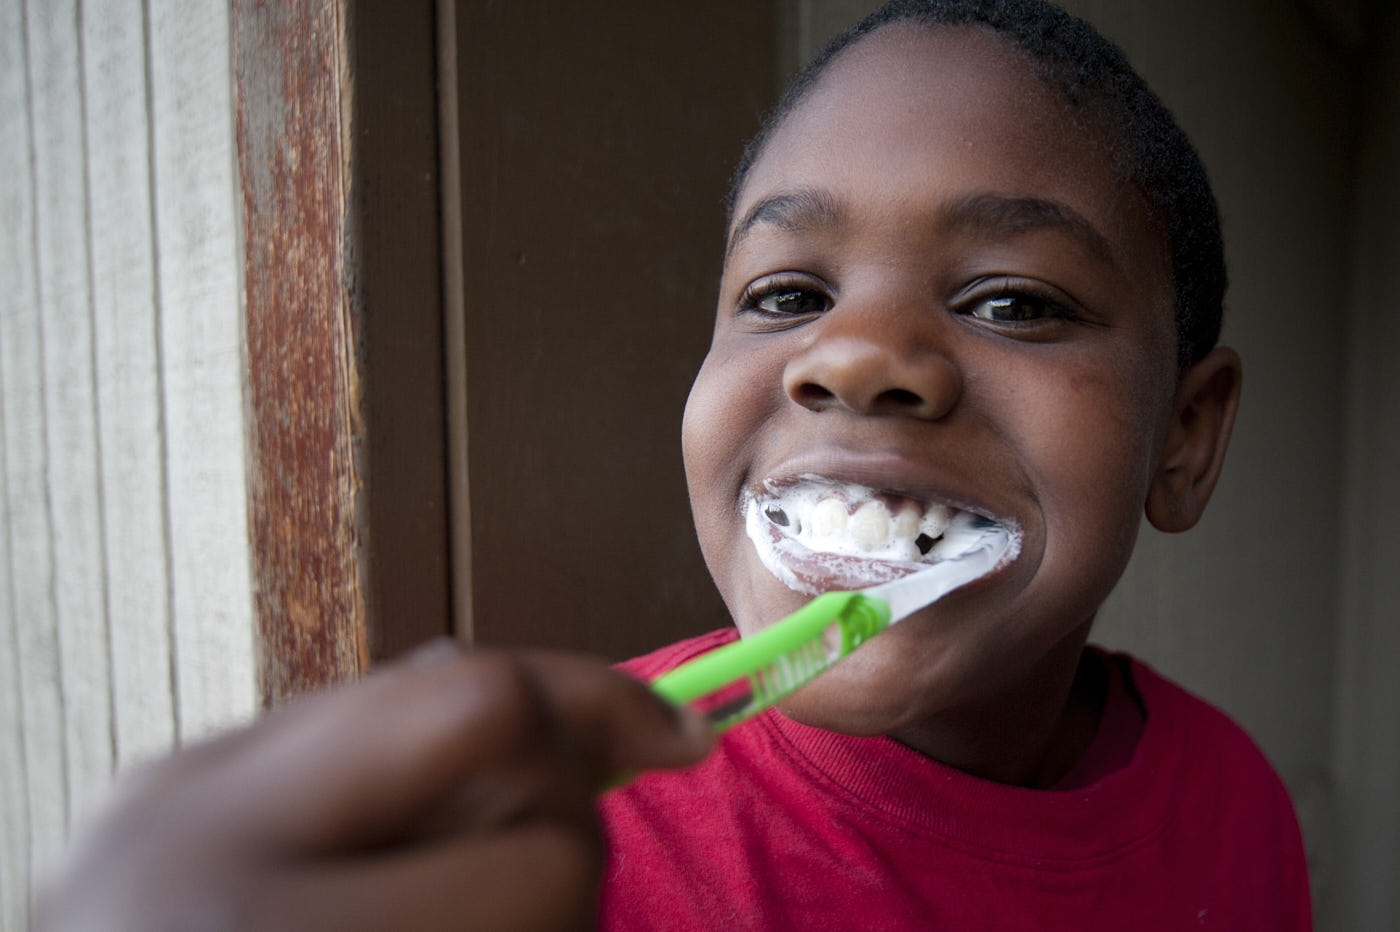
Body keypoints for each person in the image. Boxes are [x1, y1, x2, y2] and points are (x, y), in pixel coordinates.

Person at [37, 1, 1311, 929]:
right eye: (786, 291)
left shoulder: (1236, 805)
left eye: (1016, 302)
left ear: (1185, 439)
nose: (854, 353)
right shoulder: (556, 848)